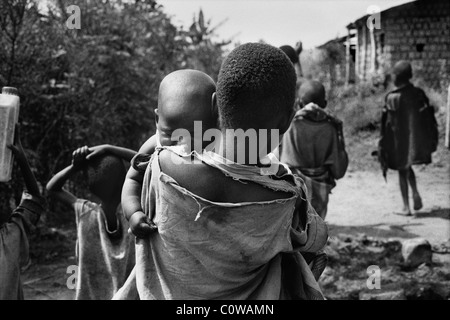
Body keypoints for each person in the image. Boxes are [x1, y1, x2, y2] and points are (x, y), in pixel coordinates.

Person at [117, 43, 328, 300]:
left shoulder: (161, 167)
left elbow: (133, 183)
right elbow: (315, 244)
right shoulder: (288, 198)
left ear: (216, 104)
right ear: (287, 120)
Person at [121, 69, 217, 238]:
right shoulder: (154, 144)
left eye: (194, 135)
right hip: (159, 236)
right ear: (157, 121)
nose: (182, 145)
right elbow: (132, 179)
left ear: (214, 125)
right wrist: (134, 213)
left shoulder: (218, 149)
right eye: (170, 134)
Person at [46, 144, 136, 300]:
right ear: (125, 181)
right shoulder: (134, 213)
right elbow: (150, 162)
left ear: (90, 186)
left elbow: (52, 188)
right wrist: (110, 148)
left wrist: (75, 166)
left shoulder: (85, 212)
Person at [280, 80, 348, 220]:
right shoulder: (330, 128)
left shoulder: (290, 126)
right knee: (315, 233)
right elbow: (339, 171)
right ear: (324, 104)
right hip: (319, 198)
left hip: (293, 194)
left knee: (293, 233)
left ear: (298, 103)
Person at [378, 60, 438, 216]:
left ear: (396, 77)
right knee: (407, 167)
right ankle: (416, 193)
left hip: (400, 142)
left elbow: (387, 125)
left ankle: (406, 207)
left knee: (401, 170)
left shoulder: (392, 97)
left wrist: (383, 143)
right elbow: (428, 118)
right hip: (416, 140)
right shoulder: (419, 93)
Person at [0, 126, 46, 300]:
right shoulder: (10, 236)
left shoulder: (10, 236)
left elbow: (35, 198)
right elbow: (35, 197)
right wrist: (21, 160)